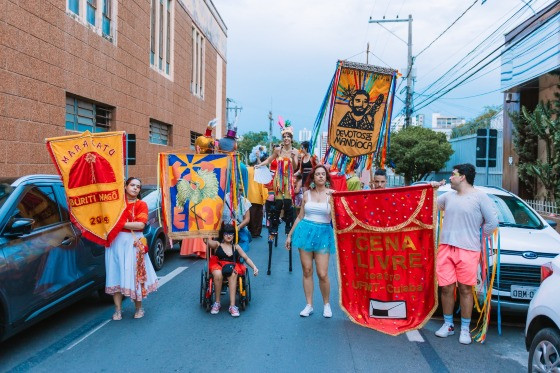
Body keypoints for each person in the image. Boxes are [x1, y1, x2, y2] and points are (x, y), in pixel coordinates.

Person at [434, 163, 498, 345]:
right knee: (446, 288)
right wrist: (431, 189)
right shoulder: (448, 197)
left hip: (468, 250)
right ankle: (448, 325)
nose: (450, 178)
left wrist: (478, 237)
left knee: (465, 289)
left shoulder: (480, 197)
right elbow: (429, 207)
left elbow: (492, 222)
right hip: (446, 247)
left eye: (453, 174)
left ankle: (464, 328)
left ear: (462, 177)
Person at [286, 165, 336, 318]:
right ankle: (309, 305)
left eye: (323, 174)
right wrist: (290, 235)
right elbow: (300, 216)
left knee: (322, 273)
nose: (320, 176)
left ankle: (326, 304)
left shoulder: (333, 195)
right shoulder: (306, 194)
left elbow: (338, 218)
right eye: (317, 174)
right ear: (313, 177)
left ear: (326, 177)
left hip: (324, 233)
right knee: (307, 270)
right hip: (305, 231)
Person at [105, 177, 158, 320]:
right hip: (115, 244)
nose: (135, 188)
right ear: (126, 186)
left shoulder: (142, 204)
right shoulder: (116, 204)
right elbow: (106, 221)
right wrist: (123, 223)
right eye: (132, 185)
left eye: (138, 186)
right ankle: (117, 310)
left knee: (136, 276)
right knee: (115, 274)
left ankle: (139, 308)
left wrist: (118, 224)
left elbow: (140, 225)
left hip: (133, 244)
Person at [256, 122, 299, 236]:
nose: (286, 139)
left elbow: (295, 167)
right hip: (278, 179)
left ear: (291, 138)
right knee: (279, 202)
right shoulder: (278, 150)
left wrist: (294, 158)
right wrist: (259, 165)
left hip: (288, 179)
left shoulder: (295, 151)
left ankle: (288, 225)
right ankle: (274, 225)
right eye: (284, 137)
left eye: (288, 136)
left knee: (288, 202)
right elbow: (269, 160)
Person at [206, 224, 259, 317]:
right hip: (218, 265)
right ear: (223, 234)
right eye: (226, 233)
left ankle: (232, 306)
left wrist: (254, 267)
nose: (229, 236)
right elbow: (209, 243)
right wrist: (205, 235)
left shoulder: (236, 247)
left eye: (231, 233)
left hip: (232, 266)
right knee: (218, 273)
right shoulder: (218, 244)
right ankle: (217, 303)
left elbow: (246, 258)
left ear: (234, 235)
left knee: (233, 273)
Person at [222, 185, 252, 253]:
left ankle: (240, 256)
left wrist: (239, 227)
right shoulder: (224, 198)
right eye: (237, 189)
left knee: (245, 240)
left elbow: (247, 219)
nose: (239, 192)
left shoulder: (245, 201)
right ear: (231, 188)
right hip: (225, 227)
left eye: (241, 190)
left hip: (239, 227)